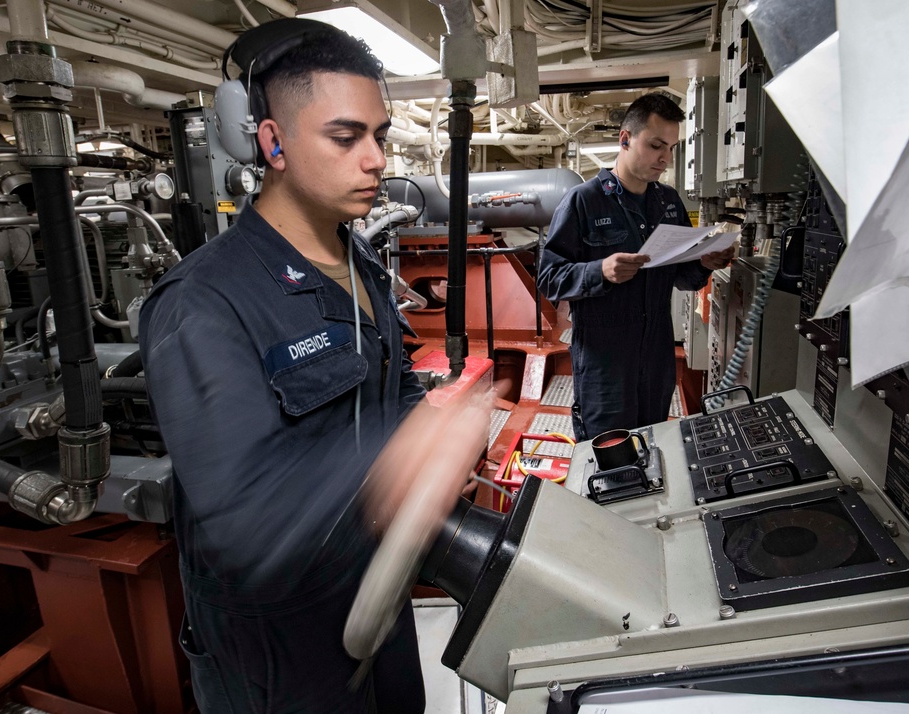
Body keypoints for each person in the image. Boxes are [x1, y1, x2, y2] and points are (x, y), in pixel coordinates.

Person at [139, 19, 487, 714]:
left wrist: (427, 412)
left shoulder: (357, 262)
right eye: (345, 137)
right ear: (272, 143)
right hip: (280, 657)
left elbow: (375, 389)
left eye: (380, 137)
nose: (374, 161)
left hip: (374, 600)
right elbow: (244, 516)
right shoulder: (204, 305)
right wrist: (402, 461)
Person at [537, 92, 735, 442]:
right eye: (657, 145)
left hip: (656, 361)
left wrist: (704, 263)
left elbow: (682, 277)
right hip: (605, 365)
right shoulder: (583, 201)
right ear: (625, 139)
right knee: (609, 456)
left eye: (672, 148)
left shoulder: (668, 201)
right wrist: (601, 271)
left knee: (653, 448)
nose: (666, 158)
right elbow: (550, 279)